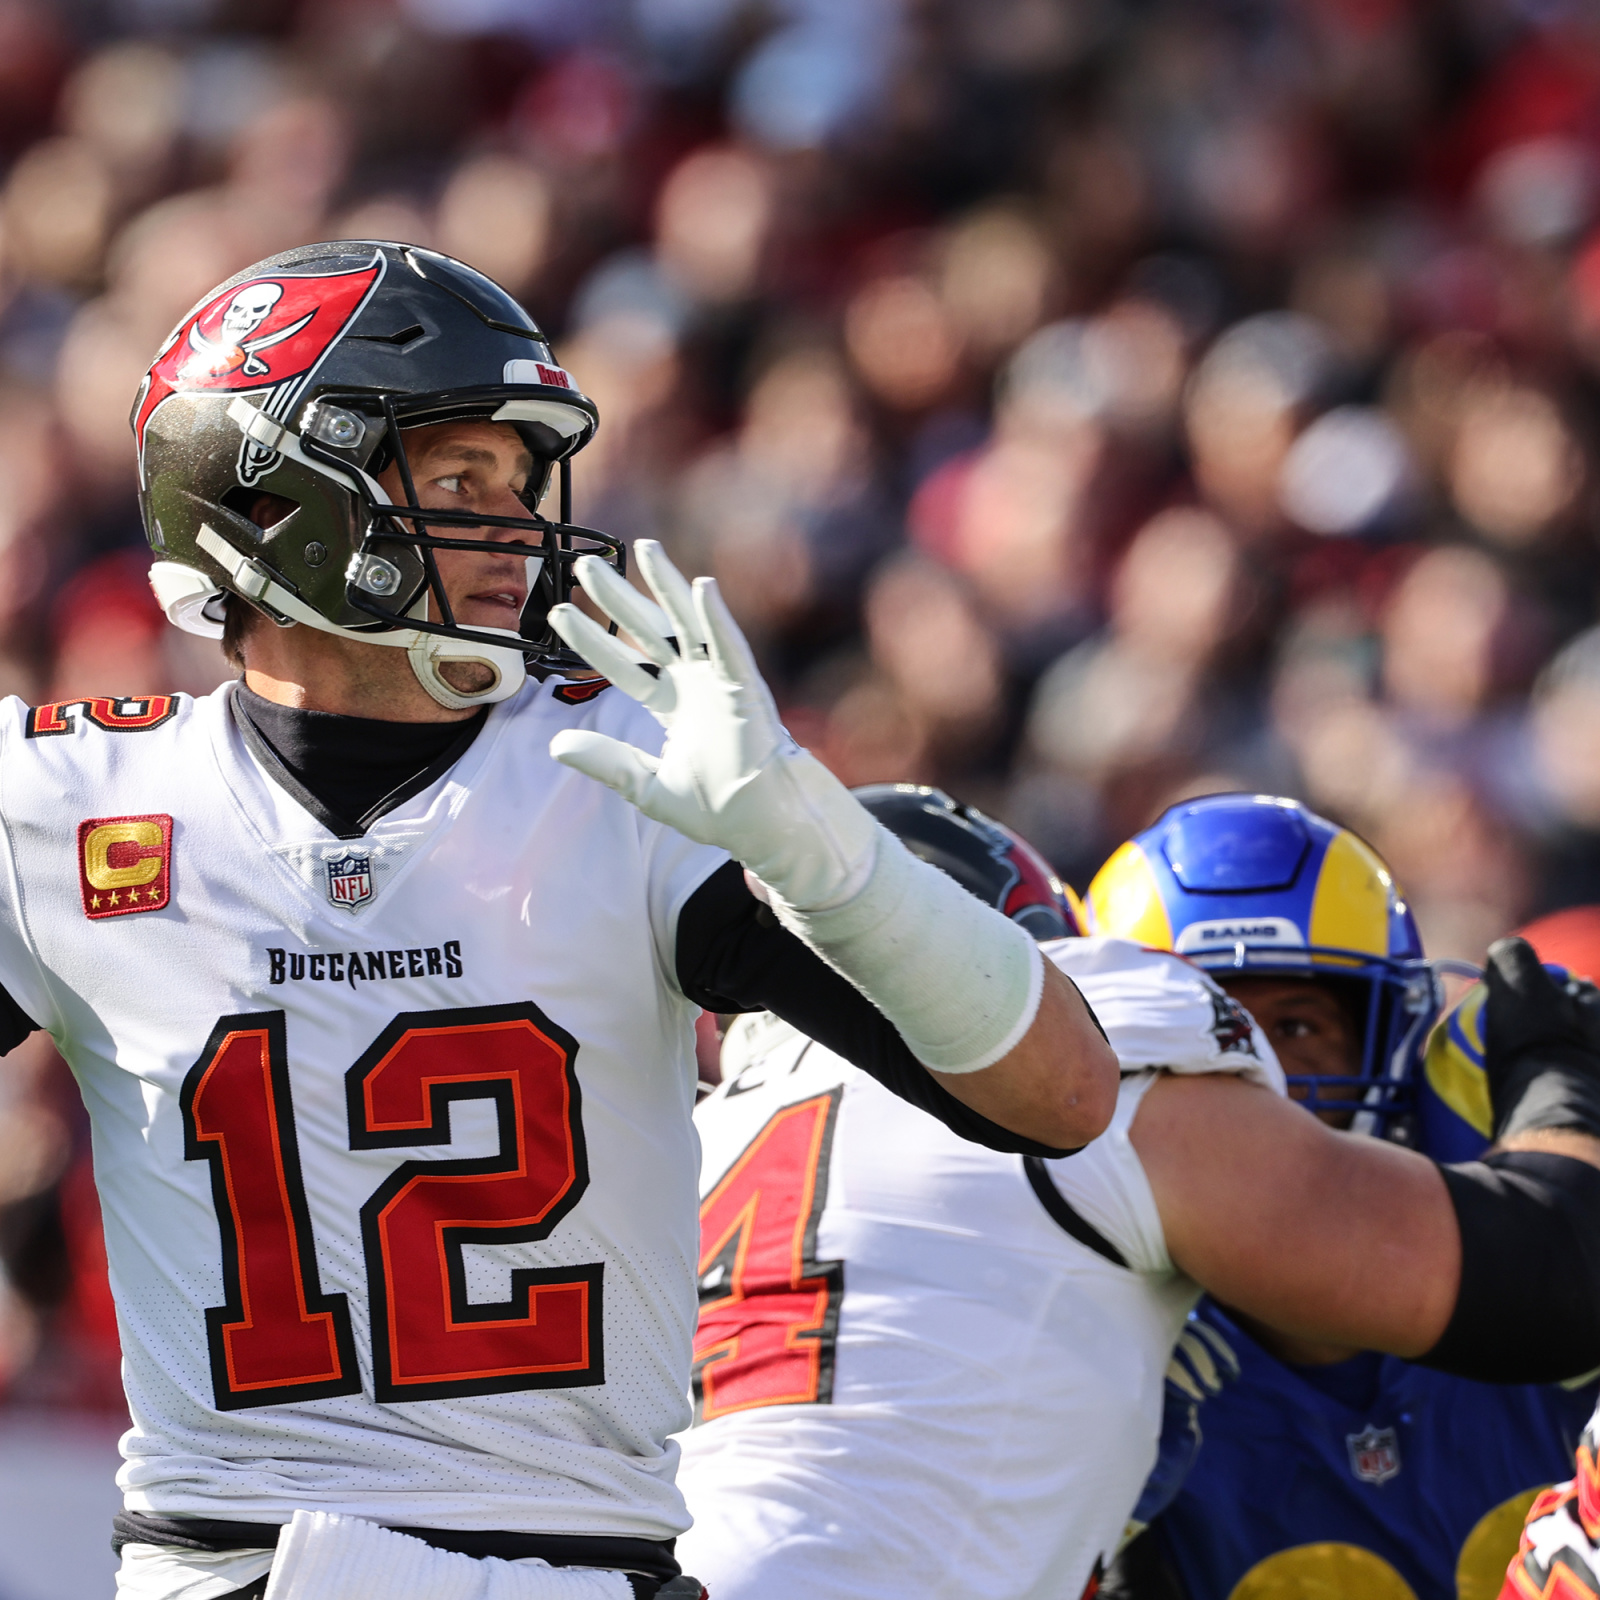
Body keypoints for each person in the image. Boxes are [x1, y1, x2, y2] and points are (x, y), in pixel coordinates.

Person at [13, 240, 1117, 1600]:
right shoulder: (73, 805)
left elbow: (1063, 1099)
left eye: (522, 483)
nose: (517, 529)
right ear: (282, 497)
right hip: (233, 1561)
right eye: (461, 478)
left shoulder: (630, 777)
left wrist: (821, 850)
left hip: (583, 1562)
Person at [669, 785, 1600, 1600]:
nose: (1274, 1072)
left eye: (1306, 1023)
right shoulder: (1096, 1110)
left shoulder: (702, 1140)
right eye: (1230, 1025)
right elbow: (1556, 1263)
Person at [1089, 797, 1598, 1600]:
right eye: (1209, 1029)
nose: (1253, 1079)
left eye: (1294, 1029)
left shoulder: (1551, 1290)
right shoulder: (1107, 1363)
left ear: (1392, 1039)